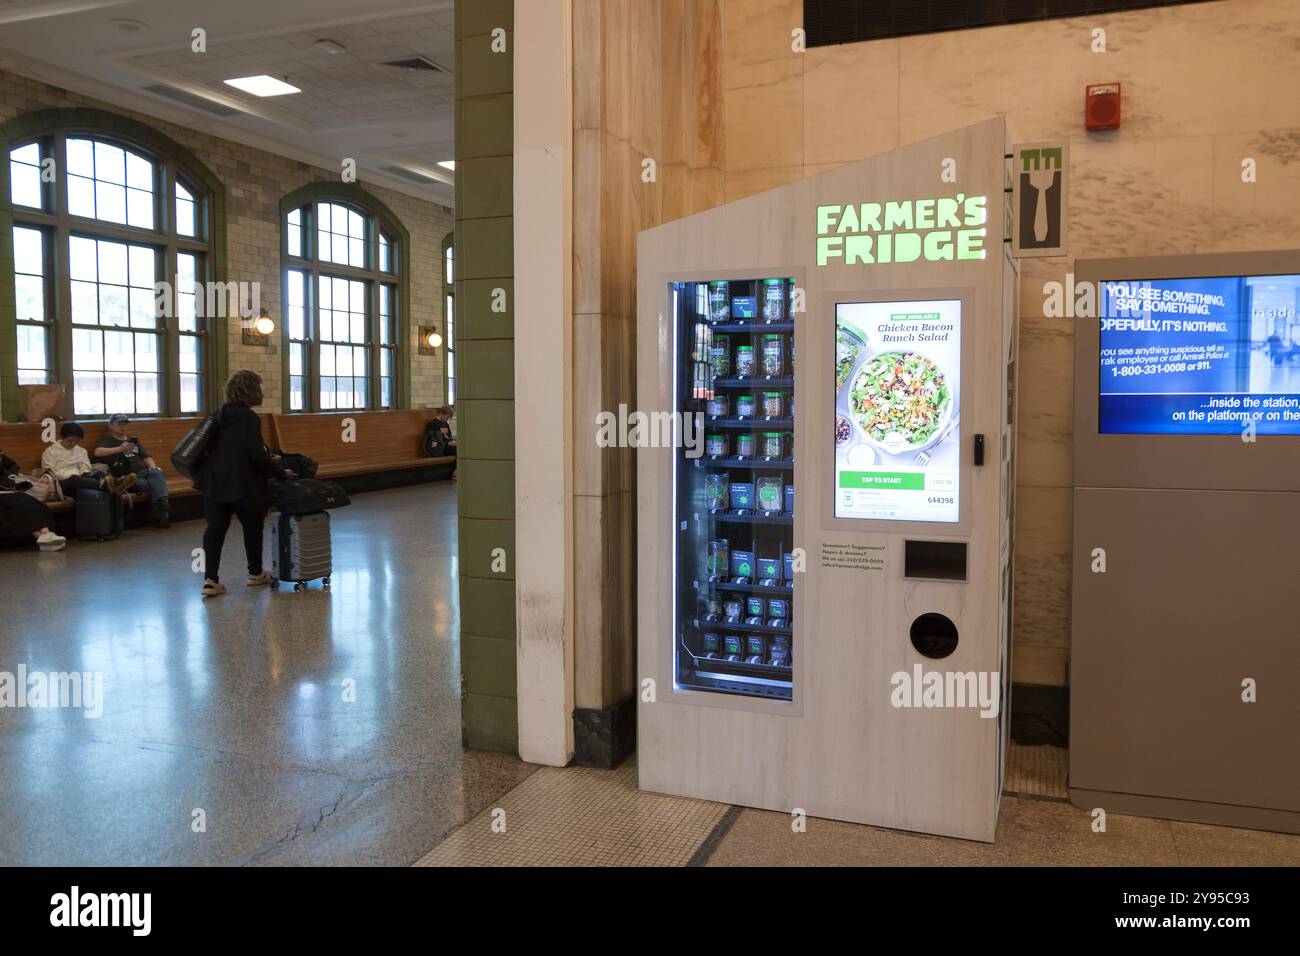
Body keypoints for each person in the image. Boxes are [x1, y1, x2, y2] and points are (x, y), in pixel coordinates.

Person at [193, 370, 293, 598]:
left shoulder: (217, 414)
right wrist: (280, 473)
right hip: (243, 483)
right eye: (258, 388)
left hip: (212, 482)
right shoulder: (249, 418)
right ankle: (255, 573)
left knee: (215, 529)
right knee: (252, 526)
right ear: (250, 393)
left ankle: (210, 580)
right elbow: (257, 455)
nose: (262, 393)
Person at [95, 414, 169, 527]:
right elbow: (98, 452)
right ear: (111, 425)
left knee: (157, 473)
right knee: (153, 485)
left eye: (124, 424)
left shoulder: (133, 441)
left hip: (145, 471)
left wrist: (152, 465)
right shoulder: (109, 441)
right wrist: (120, 449)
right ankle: (163, 514)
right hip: (129, 476)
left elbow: (145, 456)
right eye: (119, 424)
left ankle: (161, 503)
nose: (123, 427)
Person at [39, 422, 133, 498]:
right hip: (62, 483)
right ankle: (114, 484)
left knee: (98, 474)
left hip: (82, 479)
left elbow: (85, 467)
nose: (73, 443)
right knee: (74, 479)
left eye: (77, 441)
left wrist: (83, 474)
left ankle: (112, 483)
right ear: (62, 437)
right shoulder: (51, 451)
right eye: (70, 440)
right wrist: (71, 475)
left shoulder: (81, 451)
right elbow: (49, 472)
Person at [0, 490, 66, 551]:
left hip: (9, 492)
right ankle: (45, 537)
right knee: (21, 502)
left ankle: (44, 535)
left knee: (30, 501)